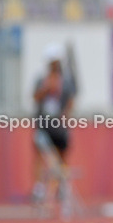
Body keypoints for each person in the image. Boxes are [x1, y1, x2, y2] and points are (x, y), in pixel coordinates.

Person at [31, 44, 76, 205]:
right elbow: (35, 97)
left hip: (59, 125)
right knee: (40, 153)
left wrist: (65, 117)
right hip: (43, 124)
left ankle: (62, 186)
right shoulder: (41, 80)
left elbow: (70, 100)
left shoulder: (66, 81)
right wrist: (46, 88)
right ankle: (39, 187)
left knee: (62, 154)